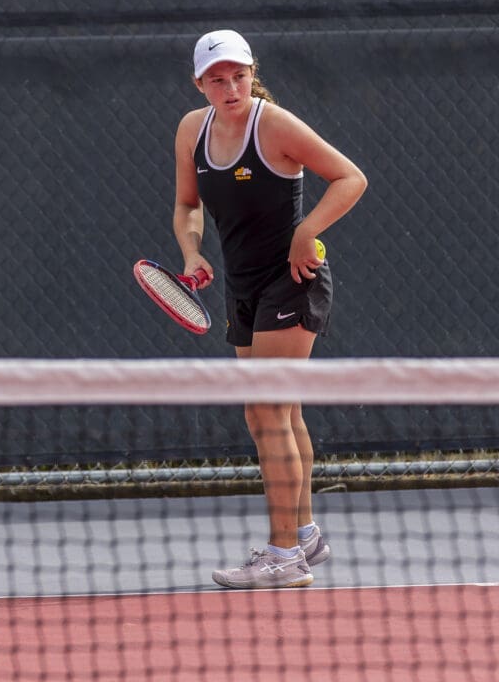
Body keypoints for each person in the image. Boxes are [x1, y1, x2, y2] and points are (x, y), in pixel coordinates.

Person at [173, 29, 367, 588]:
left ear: (251, 73)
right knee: (283, 412)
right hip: (243, 285)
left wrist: (308, 231)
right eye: (217, 78)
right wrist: (191, 250)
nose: (230, 86)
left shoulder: (273, 125)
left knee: (265, 412)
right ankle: (305, 534)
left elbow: (350, 177)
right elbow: (188, 204)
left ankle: (283, 555)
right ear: (200, 83)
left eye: (238, 74)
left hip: (293, 278)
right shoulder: (192, 130)